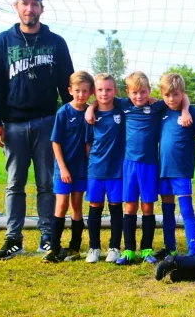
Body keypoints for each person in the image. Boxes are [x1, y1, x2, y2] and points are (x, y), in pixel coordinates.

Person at [0, 0, 74, 260]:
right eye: (24, 3)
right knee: (15, 184)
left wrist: (72, 118)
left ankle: (47, 236)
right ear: (17, 7)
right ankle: (13, 237)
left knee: (46, 183)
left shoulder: (56, 42)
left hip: (47, 122)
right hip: (13, 123)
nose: (29, 8)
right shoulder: (3, 41)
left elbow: (68, 85)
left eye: (34, 3)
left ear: (41, 8)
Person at [85, 72, 191, 265]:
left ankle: (146, 249)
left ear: (149, 91)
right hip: (128, 165)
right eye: (134, 92)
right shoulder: (124, 105)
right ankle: (129, 250)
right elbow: (101, 99)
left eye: (143, 92)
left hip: (150, 166)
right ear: (127, 93)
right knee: (130, 206)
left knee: (148, 207)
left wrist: (185, 112)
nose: (139, 96)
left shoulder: (157, 106)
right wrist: (90, 109)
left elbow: (182, 95)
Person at [157, 73, 195, 258]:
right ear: (162, 94)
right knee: (167, 210)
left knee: (186, 211)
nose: (171, 99)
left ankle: (193, 251)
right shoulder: (160, 110)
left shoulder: (190, 113)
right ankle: (170, 247)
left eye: (176, 95)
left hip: (182, 171)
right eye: (167, 95)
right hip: (163, 171)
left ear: (182, 94)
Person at [42, 71, 94, 263]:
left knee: (77, 206)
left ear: (90, 93)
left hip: (81, 169)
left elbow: (89, 144)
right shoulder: (63, 112)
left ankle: (74, 247)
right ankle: (54, 247)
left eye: (85, 91)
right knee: (61, 205)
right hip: (64, 169)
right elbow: (56, 142)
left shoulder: (91, 113)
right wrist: (62, 168)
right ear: (70, 90)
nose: (81, 95)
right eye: (78, 91)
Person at [85, 74, 125, 264]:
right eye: (100, 89)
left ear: (115, 91)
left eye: (108, 89)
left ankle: (114, 247)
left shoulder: (122, 112)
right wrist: (93, 163)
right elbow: (88, 144)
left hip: (117, 171)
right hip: (96, 171)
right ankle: (94, 247)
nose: (104, 93)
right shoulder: (91, 116)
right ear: (94, 91)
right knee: (95, 208)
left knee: (116, 208)